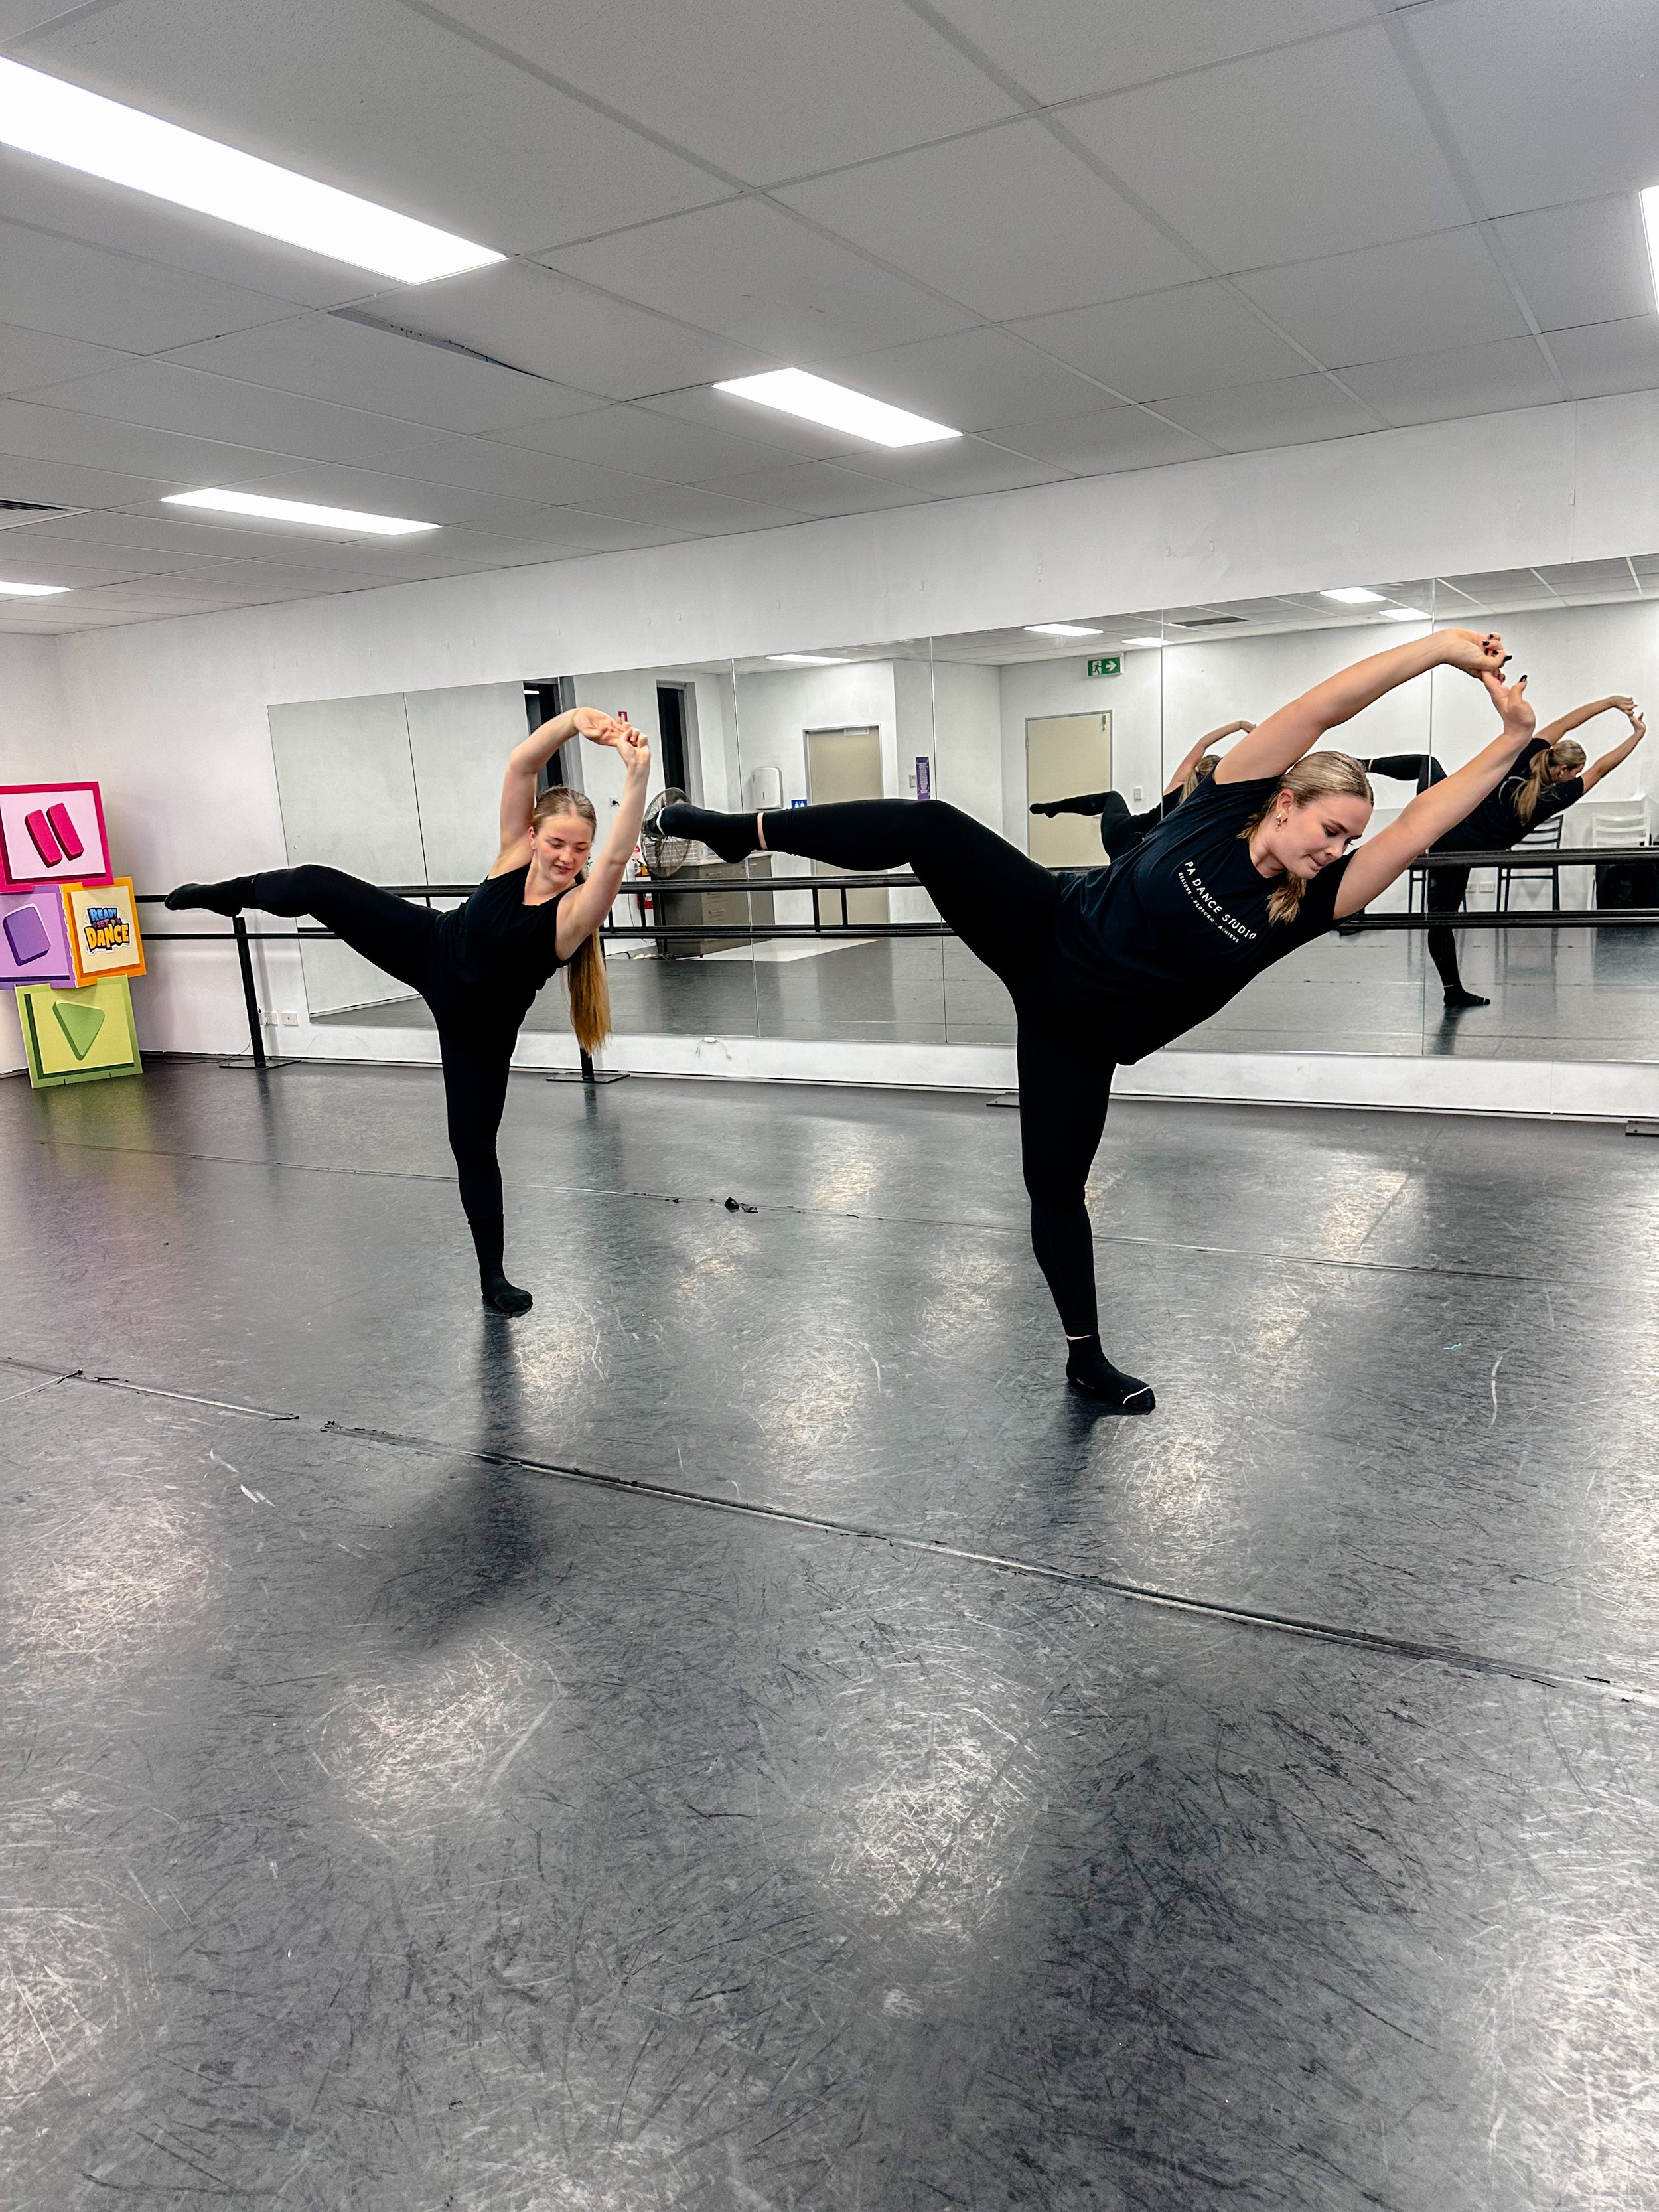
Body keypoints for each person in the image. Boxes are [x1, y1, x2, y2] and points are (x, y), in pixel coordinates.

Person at [664, 631, 1530, 1410]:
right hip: (1044, 923)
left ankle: (1085, 1358)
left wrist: (1515, 740)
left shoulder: (1307, 904)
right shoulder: (1225, 803)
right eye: (1331, 828)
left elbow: (1420, 821)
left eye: (1347, 841)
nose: (1335, 849)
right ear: (1285, 800)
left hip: (1076, 1034)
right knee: (927, 825)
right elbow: (1320, 707)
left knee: (1055, 1190)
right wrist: (1438, 650)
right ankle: (743, 832)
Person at [166, 707, 650, 1315]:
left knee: (472, 1148)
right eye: (556, 842)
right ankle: (226, 896)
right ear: (532, 836)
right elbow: (522, 762)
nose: (567, 857)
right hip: (430, 946)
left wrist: (638, 774)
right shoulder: (510, 854)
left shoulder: (576, 914)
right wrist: (574, 721)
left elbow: (612, 862)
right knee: (317, 882)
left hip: (480, 1029)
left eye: (578, 849)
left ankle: (491, 1279)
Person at [1358, 694, 1646, 1007]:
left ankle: (1361, 765)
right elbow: (1603, 769)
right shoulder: (1557, 797)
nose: (1577, 777)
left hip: (1447, 815)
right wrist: (1638, 735)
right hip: (1455, 844)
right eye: (1576, 773)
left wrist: (1610, 703)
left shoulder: (1529, 754)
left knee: (1427, 764)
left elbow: (1566, 723)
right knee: (1441, 918)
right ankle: (1452, 990)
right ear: (1563, 770)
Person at [1031, 721, 1254, 861]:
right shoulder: (1207, 803)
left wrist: (1240, 726)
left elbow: (1202, 743)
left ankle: (1053, 808)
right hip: (1132, 844)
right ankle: (1052, 808)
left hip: (1125, 835)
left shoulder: (1180, 785)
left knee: (1112, 797)